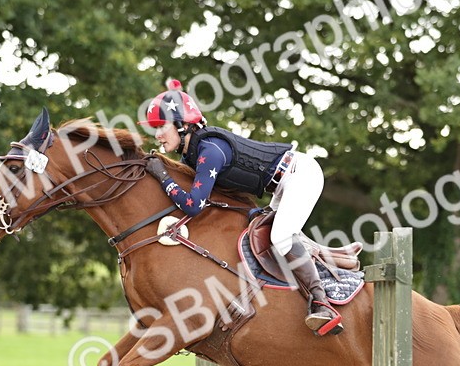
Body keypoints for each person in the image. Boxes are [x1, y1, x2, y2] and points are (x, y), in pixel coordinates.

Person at [141, 79, 343, 336]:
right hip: (280, 184)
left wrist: (162, 176)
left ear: (182, 125)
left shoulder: (209, 151)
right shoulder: (191, 154)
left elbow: (193, 206)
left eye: (161, 127)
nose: (157, 135)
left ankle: (322, 302)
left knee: (280, 238)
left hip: (300, 175)